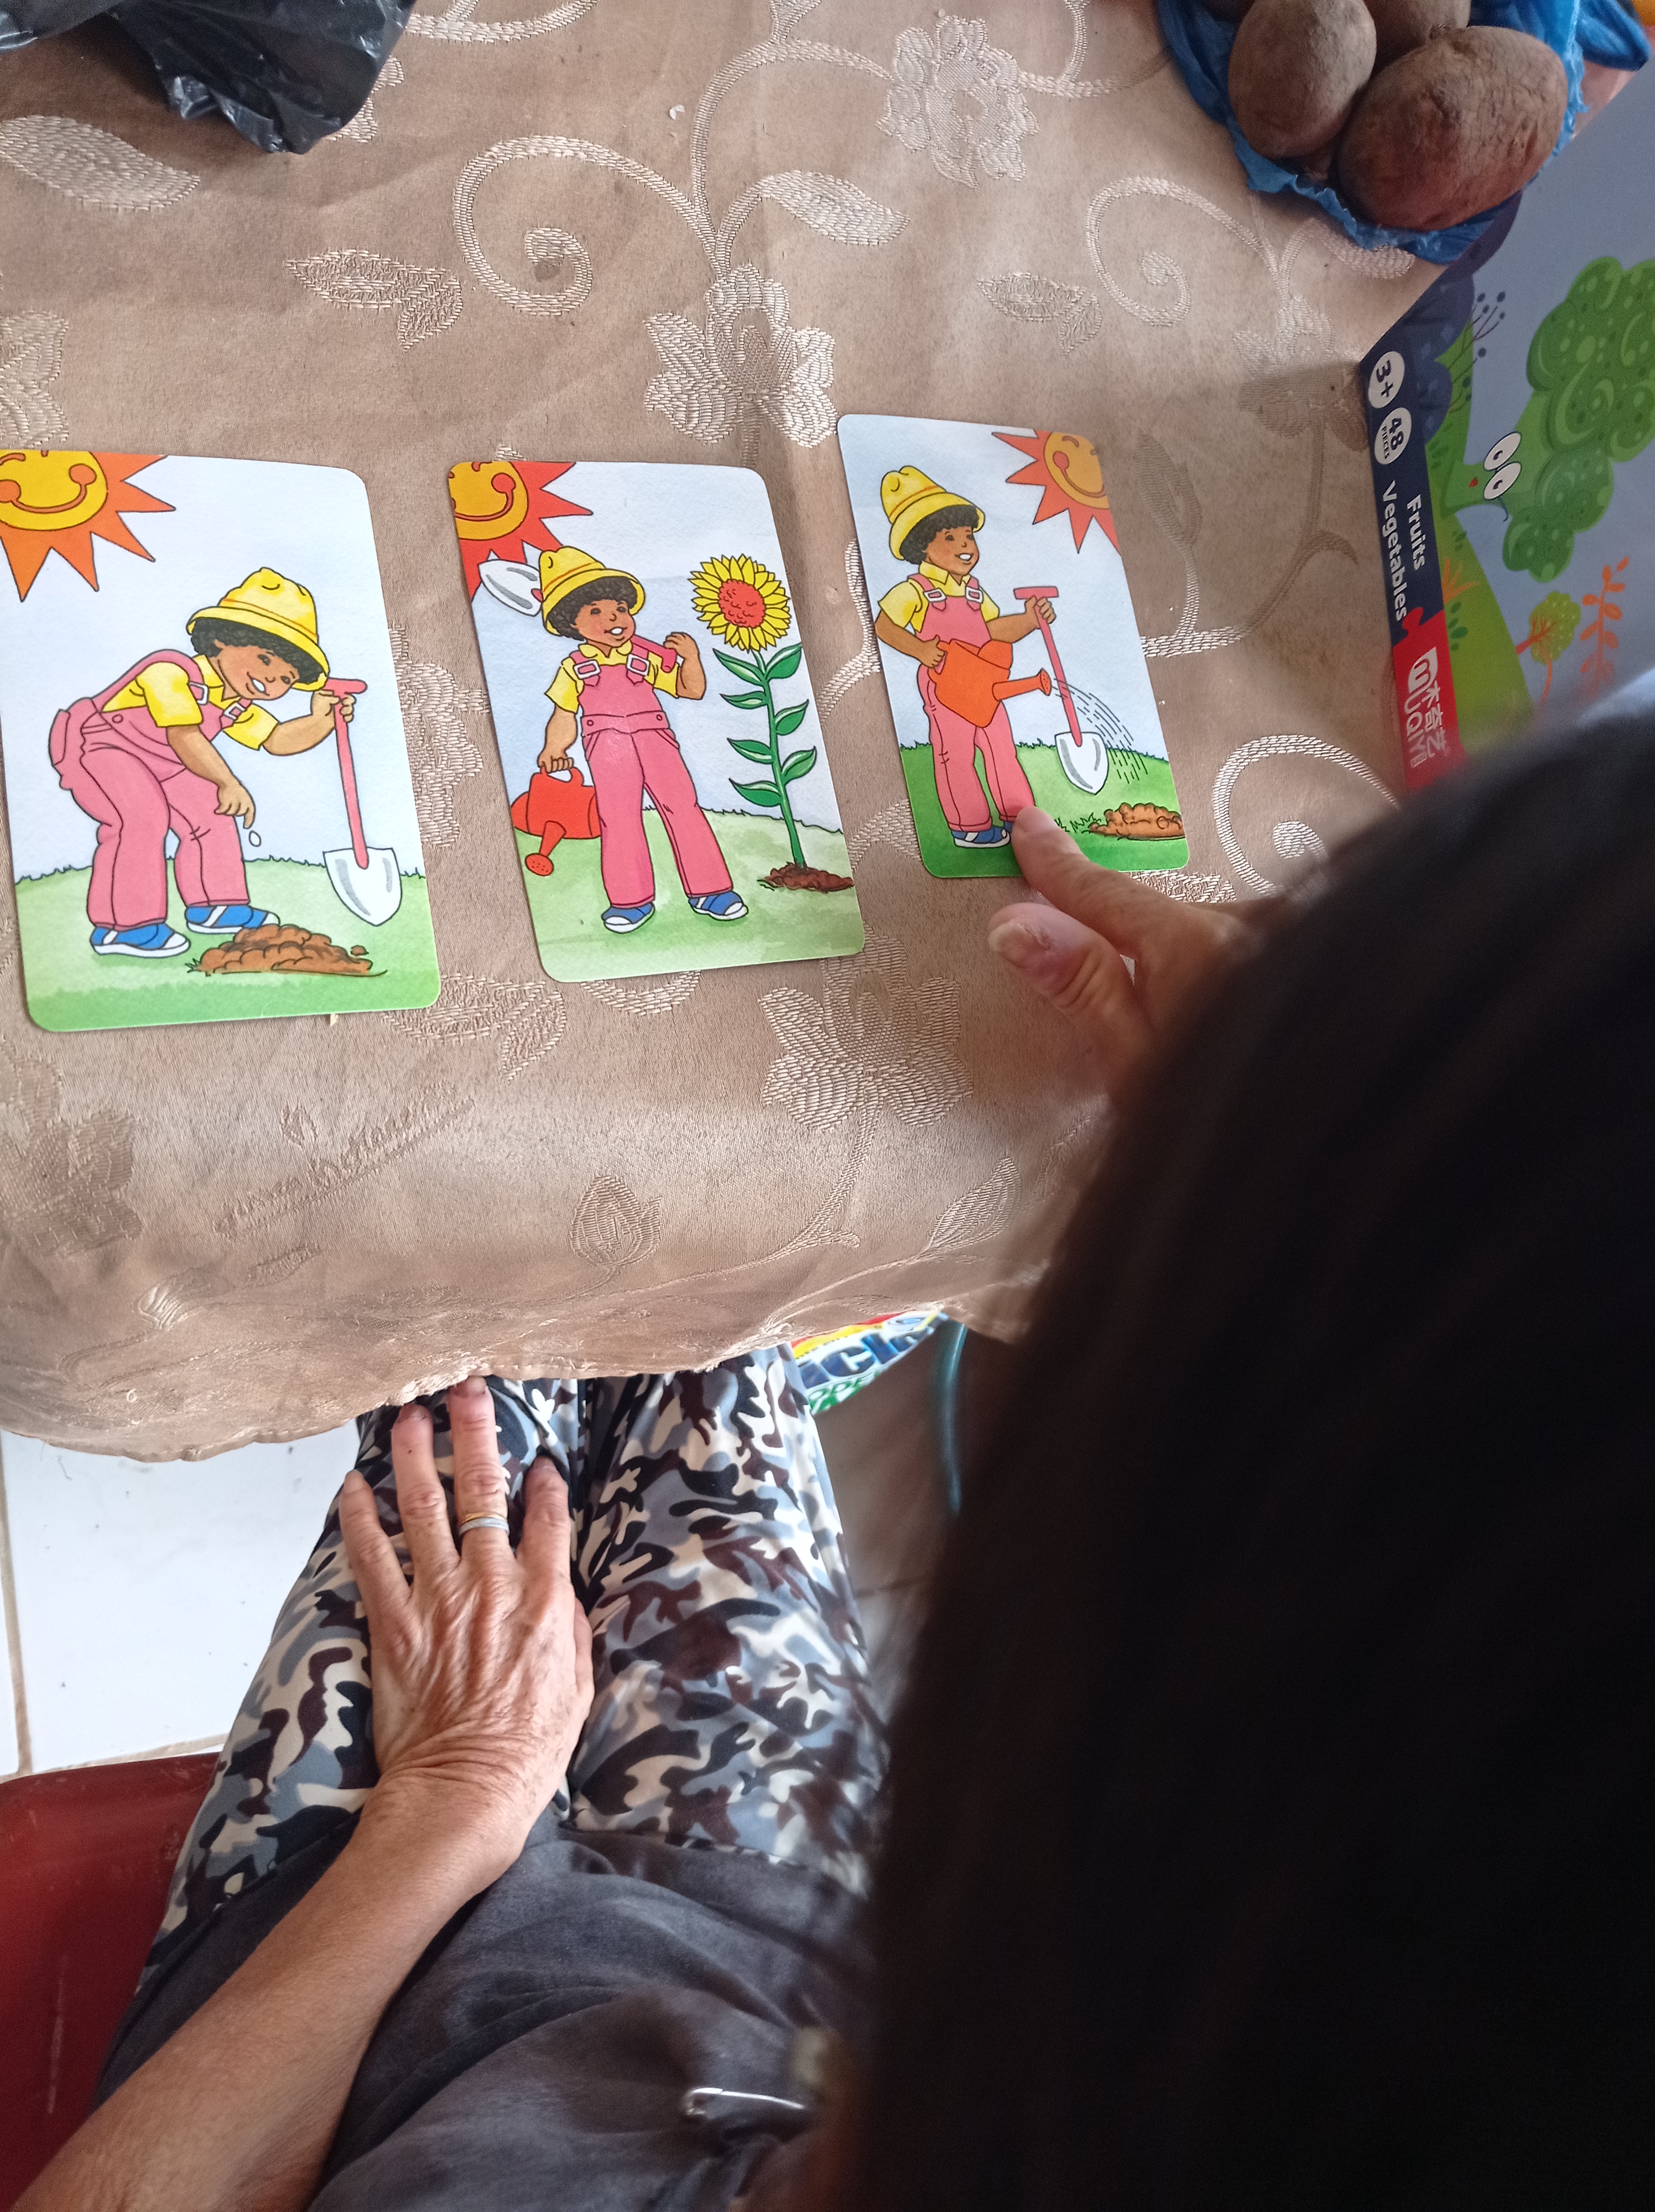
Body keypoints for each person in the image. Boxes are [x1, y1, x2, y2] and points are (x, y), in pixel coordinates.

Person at [24, 705, 1655, 2208]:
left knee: (478, 1302)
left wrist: (451, 1806)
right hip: (745, 1927)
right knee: (693, 1294)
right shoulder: (1225, 2026)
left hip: (344, 1988)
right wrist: (1286, 1184)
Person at [50, 567, 356, 957]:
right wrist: (229, 781)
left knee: (211, 812)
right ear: (220, 640)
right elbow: (184, 735)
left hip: (169, 763)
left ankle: (216, 906)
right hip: (101, 750)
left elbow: (277, 740)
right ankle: (122, 927)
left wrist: (321, 721)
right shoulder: (169, 673)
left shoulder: (236, 703)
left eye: (286, 679)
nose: (271, 682)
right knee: (141, 816)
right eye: (264, 659)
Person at [537, 544, 747, 933]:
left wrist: (692, 659)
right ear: (572, 625)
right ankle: (630, 901)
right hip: (607, 749)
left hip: (656, 741)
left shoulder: (645, 657)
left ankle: (712, 891)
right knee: (618, 817)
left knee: (682, 806)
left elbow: (690, 690)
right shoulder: (575, 668)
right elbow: (564, 713)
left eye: (620, 609)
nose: (613, 618)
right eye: (595, 612)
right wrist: (554, 747)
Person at [872, 466, 1052, 851]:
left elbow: (993, 630)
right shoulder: (916, 590)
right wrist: (920, 650)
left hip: (985, 682)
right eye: (950, 538)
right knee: (955, 753)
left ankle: (1019, 816)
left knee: (1001, 746)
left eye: (968, 536)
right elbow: (884, 627)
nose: (964, 545)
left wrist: (1028, 621)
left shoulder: (974, 592)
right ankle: (969, 826)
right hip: (946, 684)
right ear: (923, 547)